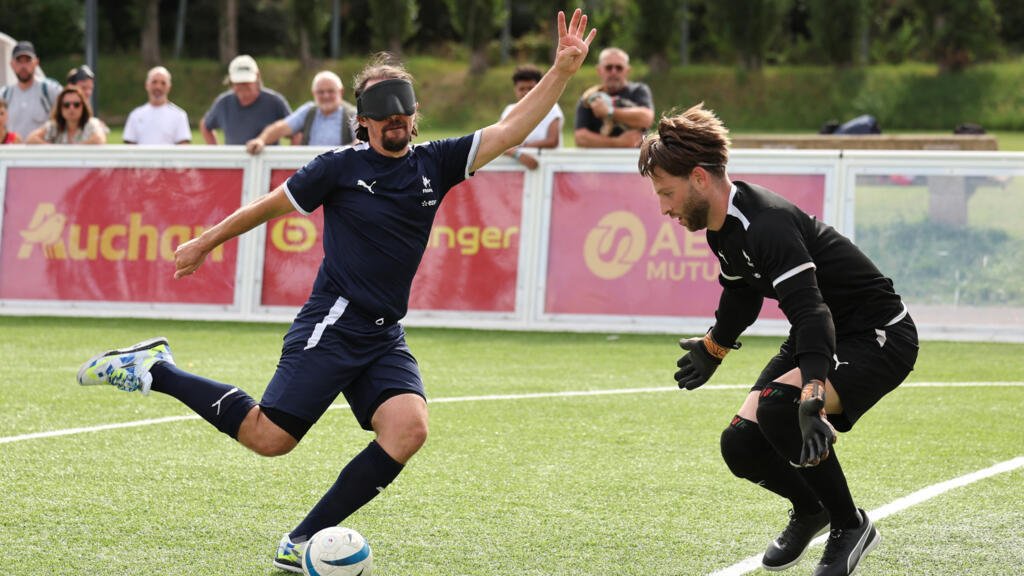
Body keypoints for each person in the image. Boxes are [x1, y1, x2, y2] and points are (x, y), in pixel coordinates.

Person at [76, 9, 596, 574]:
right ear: (363, 121)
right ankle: (157, 369)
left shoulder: (436, 163)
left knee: (408, 428)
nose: (394, 118)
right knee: (269, 439)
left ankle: (300, 541)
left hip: (383, 333)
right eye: (380, 109)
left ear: (414, 116)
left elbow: (512, 127)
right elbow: (266, 207)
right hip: (334, 323)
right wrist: (204, 242)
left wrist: (563, 71)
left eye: (403, 107)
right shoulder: (338, 168)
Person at [638, 103, 918, 576]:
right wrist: (713, 348)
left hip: (877, 335)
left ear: (700, 179)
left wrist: (811, 391)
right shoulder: (722, 228)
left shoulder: (764, 223)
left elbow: (812, 312)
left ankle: (850, 525)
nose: (664, 208)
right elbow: (741, 293)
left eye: (667, 193)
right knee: (741, 444)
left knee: (780, 407)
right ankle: (813, 509)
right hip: (823, 331)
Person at [246, 70, 356, 155]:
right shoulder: (309, 110)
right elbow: (281, 128)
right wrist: (261, 140)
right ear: (313, 94)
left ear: (341, 91)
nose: (326, 96)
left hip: (339, 172)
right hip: (311, 172)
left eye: (331, 91)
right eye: (321, 92)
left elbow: (361, 141)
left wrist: (341, 157)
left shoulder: (352, 113)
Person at [200, 54, 291, 145]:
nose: (242, 85)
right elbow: (206, 125)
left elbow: (296, 130)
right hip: (234, 158)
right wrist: (218, 154)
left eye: (247, 81)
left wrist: (293, 158)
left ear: (257, 76)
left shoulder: (274, 102)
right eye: (238, 82)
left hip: (267, 159)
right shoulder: (223, 103)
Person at [574, 47, 653, 148]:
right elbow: (580, 138)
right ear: (599, 70)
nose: (613, 72)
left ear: (627, 70)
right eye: (608, 67)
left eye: (619, 68)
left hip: (635, 161)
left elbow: (646, 119)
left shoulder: (638, 90)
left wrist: (609, 111)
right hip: (600, 161)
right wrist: (617, 143)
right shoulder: (589, 97)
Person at [499, 64, 563, 170]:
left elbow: (552, 141)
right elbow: (498, 142)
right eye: (521, 89)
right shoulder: (509, 111)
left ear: (540, 87)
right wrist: (519, 155)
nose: (526, 92)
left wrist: (522, 148)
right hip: (516, 172)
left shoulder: (551, 108)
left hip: (547, 169)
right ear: (515, 89)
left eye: (530, 88)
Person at [0, 41, 62, 140]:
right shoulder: (4, 94)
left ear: (36, 62)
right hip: (12, 154)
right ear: (12, 64)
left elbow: (70, 114)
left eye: (28, 60)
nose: (23, 66)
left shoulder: (50, 89)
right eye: (19, 61)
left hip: (43, 153)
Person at [123, 66, 191, 145]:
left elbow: (183, 148)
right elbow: (129, 149)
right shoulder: (135, 115)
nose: (158, 87)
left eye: (163, 83)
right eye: (154, 82)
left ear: (169, 87)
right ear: (147, 85)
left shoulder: (179, 115)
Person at [25, 86, 106, 145]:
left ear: (83, 107)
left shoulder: (91, 123)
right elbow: (30, 139)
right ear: (60, 108)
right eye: (66, 105)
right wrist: (54, 150)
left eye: (76, 104)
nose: (71, 108)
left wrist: (72, 151)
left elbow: (100, 139)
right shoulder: (53, 125)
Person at [65, 63, 109, 135]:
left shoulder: (86, 106)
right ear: (70, 87)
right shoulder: (61, 105)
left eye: (90, 88)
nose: (88, 92)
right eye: (83, 88)